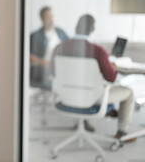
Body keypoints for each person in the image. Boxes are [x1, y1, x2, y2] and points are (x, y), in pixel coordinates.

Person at [53, 14, 136, 142]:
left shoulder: (59, 48)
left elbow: (53, 73)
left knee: (82, 86)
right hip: (92, 98)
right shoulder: (98, 51)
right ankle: (122, 132)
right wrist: (110, 66)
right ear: (92, 29)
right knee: (128, 93)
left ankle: (84, 122)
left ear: (76, 27)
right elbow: (111, 77)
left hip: (65, 97)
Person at [30, 6, 69, 89]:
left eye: (52, 16)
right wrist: (44, 62)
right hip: (44, 70)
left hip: (61, 68)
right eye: (48, 17)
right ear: (42, 19)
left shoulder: (60, 32)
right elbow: (29, 55)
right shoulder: (35, 36)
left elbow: (71, 46)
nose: (51, 19)